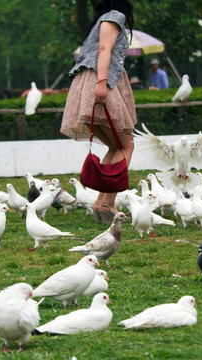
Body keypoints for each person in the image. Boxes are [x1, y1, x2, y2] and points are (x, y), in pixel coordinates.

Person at [60, 0, 136, 224]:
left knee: (116, 145)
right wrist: (102, 82)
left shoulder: (103, 18)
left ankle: (102, 201)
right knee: (127, 145)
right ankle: (107, 202)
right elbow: (104, 49)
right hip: (99, 80)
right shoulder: (114, 16)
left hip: (89, 80)